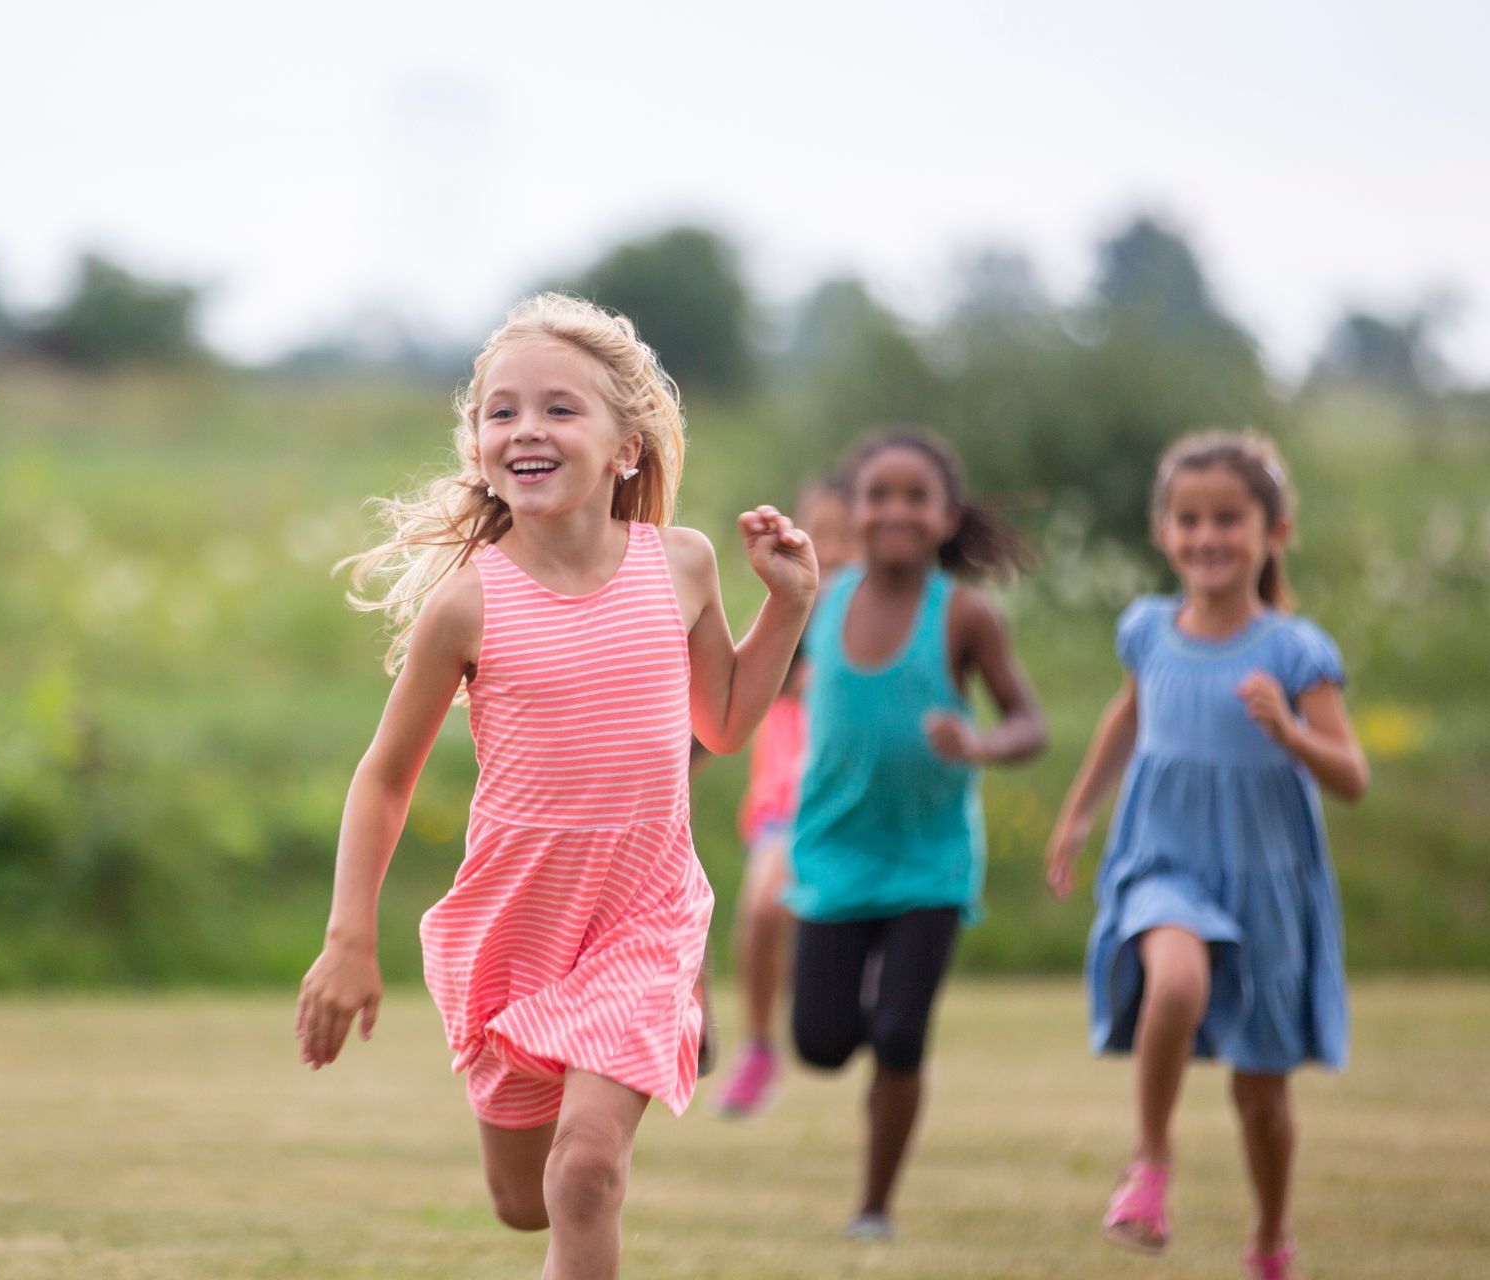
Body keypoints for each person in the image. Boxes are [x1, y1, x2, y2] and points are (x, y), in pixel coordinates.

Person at [292, 293, 817, 1279]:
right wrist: (348, 938)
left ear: (626, 445)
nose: (526, 427)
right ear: (480, 443)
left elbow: (725, 723)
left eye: (559, 408)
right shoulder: (468, 601)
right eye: (503, 410)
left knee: (584, 1170)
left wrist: (786, 609)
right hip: (515, 926)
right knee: (524, 1201)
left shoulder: (685, 564)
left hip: (643, 919)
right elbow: (384, 776)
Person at [1045, 430, 1368, 1280]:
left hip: (1266, 881)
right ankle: (1150, 1163)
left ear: (1274, 531)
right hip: (1164, 860)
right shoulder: (1147, 630)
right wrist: (1077, 816)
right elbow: (1128, 716)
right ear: (1164, 531)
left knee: (1261, 1095)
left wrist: (1293, 733)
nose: (1207, 537)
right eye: (1188, 519)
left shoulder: (1296, 651)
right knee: (1176, 979)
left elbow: (1353, 777)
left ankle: (1268, 1242)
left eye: (1229, 518)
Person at [785, 428, 1047, 1242]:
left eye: (915, 496)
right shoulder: (820, 600)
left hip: (929, 859)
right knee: (822, 1043)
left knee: (900, 1036)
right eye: (879, 496)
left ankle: (873, 1208)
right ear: (852, 511)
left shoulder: (967, 615)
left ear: (947, 516)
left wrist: (982, 745)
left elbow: (1028, 724)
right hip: (832, 854)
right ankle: (878, 1030)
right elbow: (760, 686)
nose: (896, 510)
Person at [714, 477, 857, 1119]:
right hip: (784, 806)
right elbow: (724, 697)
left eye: (846, 538)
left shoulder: (886, 626)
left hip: (859, 812)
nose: (832, 550)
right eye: (820, 532)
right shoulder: (785, 617)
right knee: (766, 909)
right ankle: (760, 1049)